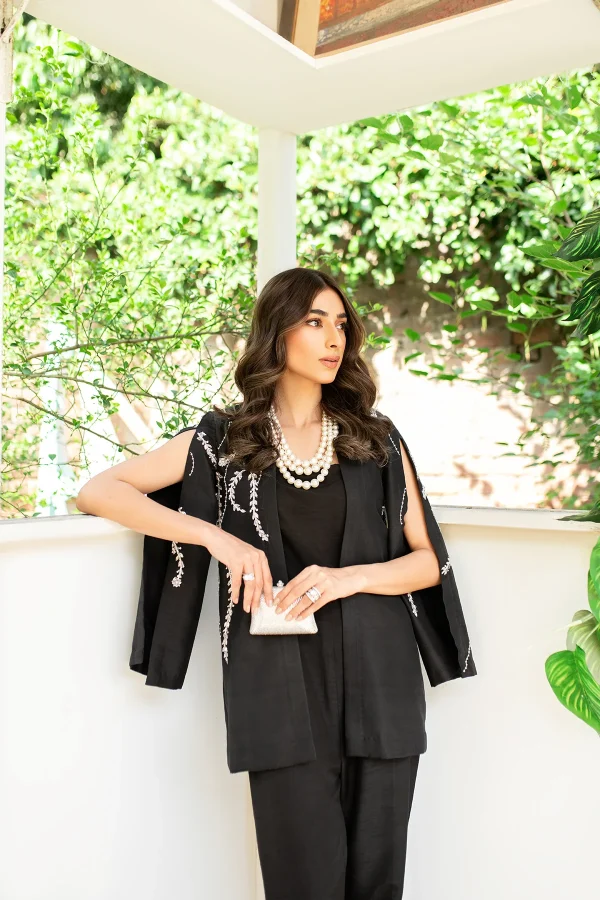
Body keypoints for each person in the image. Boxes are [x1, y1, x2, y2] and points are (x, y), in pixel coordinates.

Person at [76, 266, 477, 900]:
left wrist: (348, 578)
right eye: (315, 322)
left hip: (380, 680)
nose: (334, 338)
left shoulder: (375, 440)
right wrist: (216, 538)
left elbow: (428, 560)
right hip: (278, 685)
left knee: (378, 883)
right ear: (277, 332)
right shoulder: (226, 440)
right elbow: (100, 490)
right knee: (302, 883)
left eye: (340, 324)